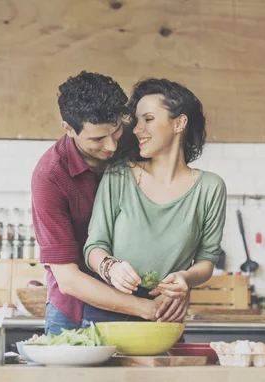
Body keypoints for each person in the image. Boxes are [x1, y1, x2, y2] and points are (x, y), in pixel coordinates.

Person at [31, 71, 172, 336]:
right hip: (76, 309)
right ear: (69, 129)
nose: (110, 146)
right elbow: (69, 280)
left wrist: (179, 288)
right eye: (97, 139)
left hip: (144, 295)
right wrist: (146, 309)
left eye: (116, 129)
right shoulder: (49, 178)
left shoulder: (134, 140)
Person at [83, 78, 227, 324]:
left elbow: (206, 261)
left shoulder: (210, 188)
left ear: (179, 123)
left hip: (164, 313)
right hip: (110, 309)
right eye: (137, 121)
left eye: (148, 119)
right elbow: (94, 246)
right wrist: (111, 267)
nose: (137, 129)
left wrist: (184, 279)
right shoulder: (119, 174)